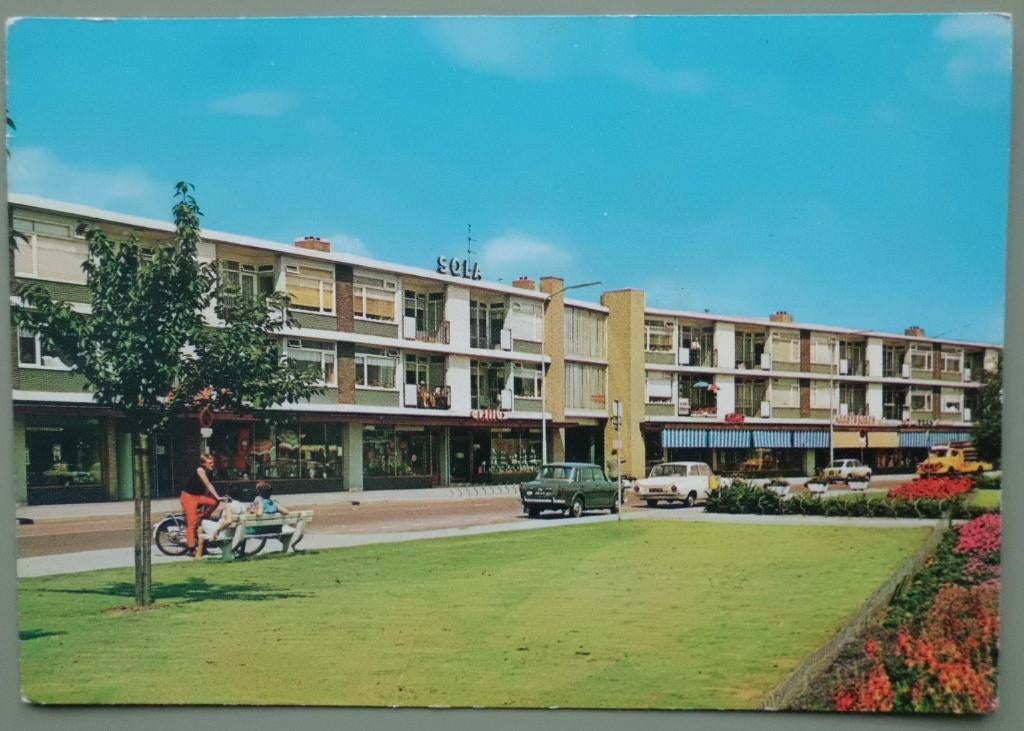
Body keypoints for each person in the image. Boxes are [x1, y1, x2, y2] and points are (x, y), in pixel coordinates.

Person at [180, 454, 222, 556]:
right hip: (189, 497)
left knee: (214, 502)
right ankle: (191, 548)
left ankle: (202, 517)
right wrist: (218, 496)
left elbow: (206, 489)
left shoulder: (211, 472)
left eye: (213, 462)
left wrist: (208, 501)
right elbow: (208, 485)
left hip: (198, 496)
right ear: (203, 463)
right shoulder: (200, 470)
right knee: (192, 523)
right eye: (210, 463)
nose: (212, 464)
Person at [194, 493, 250, 560]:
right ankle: (201, 552)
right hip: (232, 533)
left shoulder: (229, 505)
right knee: (202, 527)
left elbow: (228, 521)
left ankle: (199, 555)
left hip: (223, 533)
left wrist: (218, 530)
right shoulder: (242, 506)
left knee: (202, 524)